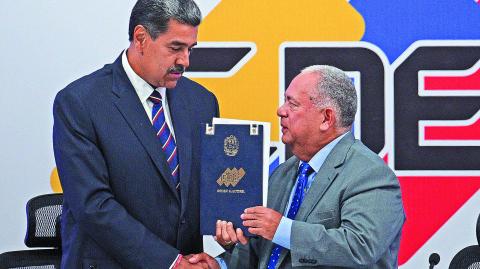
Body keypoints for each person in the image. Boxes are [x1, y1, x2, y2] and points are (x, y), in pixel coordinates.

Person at [52, 0, 219, 268]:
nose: (185, 61)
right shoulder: (80, 102)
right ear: (141, 38)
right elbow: (93, 205)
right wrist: (169, 262)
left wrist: (230, 231)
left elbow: (209, 189)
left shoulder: (202, 102)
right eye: (175, 48)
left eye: (190, 49)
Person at [190, 65, 405, 268]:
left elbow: (360, 247)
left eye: (292, 104)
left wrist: (282, 229)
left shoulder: (370, 174)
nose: (280, 110)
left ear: (326, 118)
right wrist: (224, 259)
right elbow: (265, 254)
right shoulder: (283, 174)